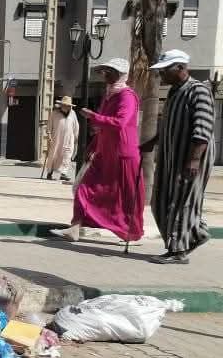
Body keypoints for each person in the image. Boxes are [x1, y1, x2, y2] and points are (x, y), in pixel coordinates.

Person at [50, 58, 144, 244]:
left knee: (125, 197)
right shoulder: (109, 95)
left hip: (122, 154)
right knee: (83, 188)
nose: (105, 74)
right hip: (104, 153)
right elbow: (103, 128)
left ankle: (131, 232)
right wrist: (93, 146)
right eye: (105, 71)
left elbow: (120, 123)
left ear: (121, 75)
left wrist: (94, 116)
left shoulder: (127, 96)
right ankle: (75, 228)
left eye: (110, 71)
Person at [143, 49, 215, 264]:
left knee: (181, 202)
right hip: (170, 157)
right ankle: (197, 234)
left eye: (165, 70)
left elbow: (203, 127)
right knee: (160, 201)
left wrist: (194, 159)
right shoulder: (174, 92)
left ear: (181, 68)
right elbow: (170, 123)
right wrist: (153, 141)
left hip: (190, 157)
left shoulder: (198, 90)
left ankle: (178, 251)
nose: (161, 75)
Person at [44, 96, 80, 181]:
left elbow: (76, 126)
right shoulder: (54, 113)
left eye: (68, 105)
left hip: (69, 139)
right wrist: (49, 136)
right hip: (56, 138)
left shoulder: (73, 114)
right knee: (53, 155)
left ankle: (63, 173)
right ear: (61, 105)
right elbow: (49, 126)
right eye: (64, 104)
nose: (66, 106)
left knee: (67, 156)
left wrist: (76, 137)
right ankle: (50, 172)